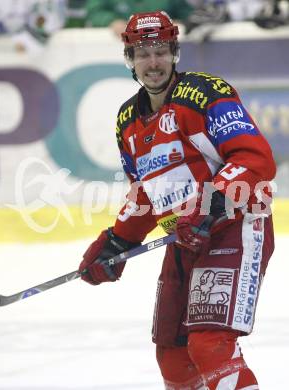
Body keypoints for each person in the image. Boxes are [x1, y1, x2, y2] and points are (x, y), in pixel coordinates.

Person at [78, 10, 276, 390]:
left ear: (174, 53)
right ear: (130, 60)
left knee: (209, 344)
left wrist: (210, 205)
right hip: (185, 238)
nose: (152, 62)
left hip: (233, 226)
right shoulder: (127, 122)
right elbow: (146, 193)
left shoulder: (204, 93)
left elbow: (255, 158)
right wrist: (117, 242)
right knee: (173, 354)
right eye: (142, 53)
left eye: (160, 51)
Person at [85, 0, 194, 37]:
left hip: (163, 50)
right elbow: (93, 12)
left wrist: (177, 22)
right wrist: (111, 21)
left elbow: (188, 15)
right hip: (120, 51)